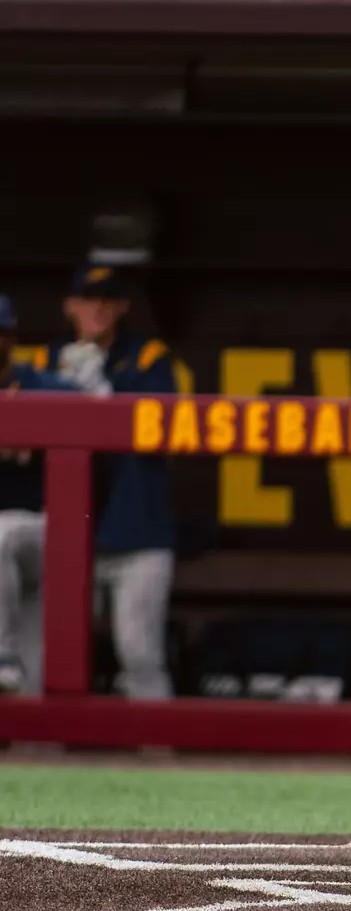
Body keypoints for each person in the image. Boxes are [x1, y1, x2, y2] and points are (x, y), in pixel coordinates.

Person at [22, 266, 178, 700]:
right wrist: (65, 391)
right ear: (70, 306)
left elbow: (163, 431)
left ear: (124, 306)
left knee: (139, 652)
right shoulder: (42, 362)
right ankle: (48, 746)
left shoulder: (149, 357)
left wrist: (105, 397)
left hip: (138, 532)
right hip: (70, 533)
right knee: (56, 651)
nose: (99, 309)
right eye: (89, 300)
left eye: (109, 300)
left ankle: (156, 749)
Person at [0, 295, 78, 693]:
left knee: (0, 535)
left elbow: (85, 409)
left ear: (10, 338)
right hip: (9, 575)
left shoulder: (36, 383)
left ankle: (1, 655)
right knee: (35, 680)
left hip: (37, 528)